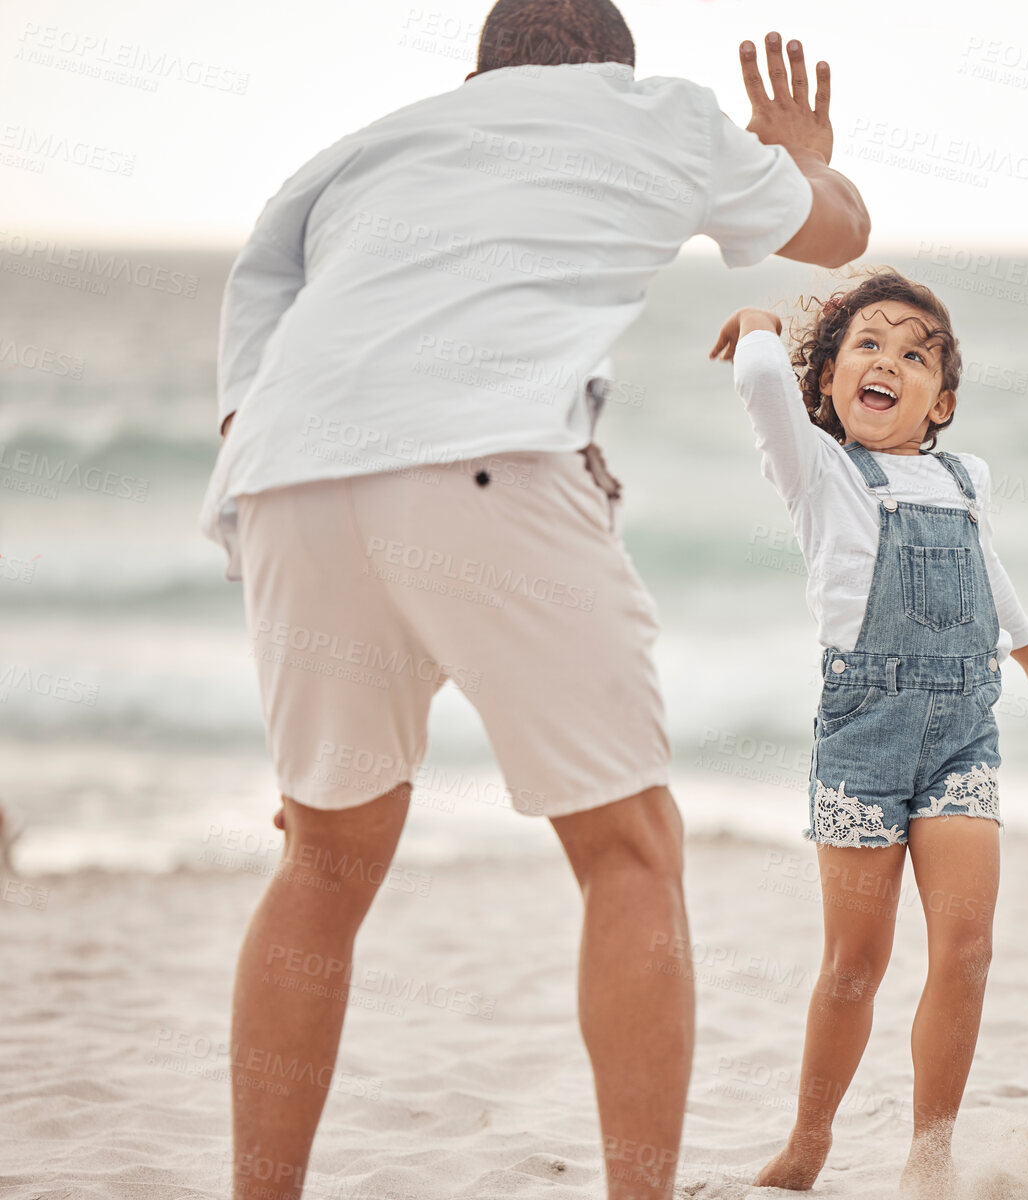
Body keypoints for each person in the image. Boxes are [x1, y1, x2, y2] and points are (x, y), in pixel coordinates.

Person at [197, 1, 869, 1195]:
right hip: (486, 460)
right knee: (627, 849)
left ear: (477, 75)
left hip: (287, 480)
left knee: (323, 857)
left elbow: (253, 347)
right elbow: (835, 236)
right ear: (615, 70)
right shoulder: (657, 113)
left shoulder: (361, 149)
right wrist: (797, 153)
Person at [709, 270, 1028, 1194]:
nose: (889, 361)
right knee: (856, 962)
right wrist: (762, 320)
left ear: (943, 400)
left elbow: (987, 566)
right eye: (867, 346)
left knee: (966, 949)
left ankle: (931, 1153)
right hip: (863, 734)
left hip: (965, 730)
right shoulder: (818, 470)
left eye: (915, 353)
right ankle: (809, 1141)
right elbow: (762, 384)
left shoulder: (970, 479)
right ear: (831, 385)